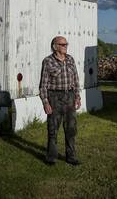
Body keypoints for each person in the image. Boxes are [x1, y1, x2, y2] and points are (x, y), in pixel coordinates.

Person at [39, 36, 82, 166]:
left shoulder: (70, 59)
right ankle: (51, 157)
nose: (65, 46)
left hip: (69, 96)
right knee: (53, 129)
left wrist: (77, 96)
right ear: (55, 46)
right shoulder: (48, 61)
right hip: (54, 97)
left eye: (66, 44)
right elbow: (43, 84)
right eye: (62, 44)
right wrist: (45, 102)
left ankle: (71, 156)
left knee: (71, 129)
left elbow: (75, 79)